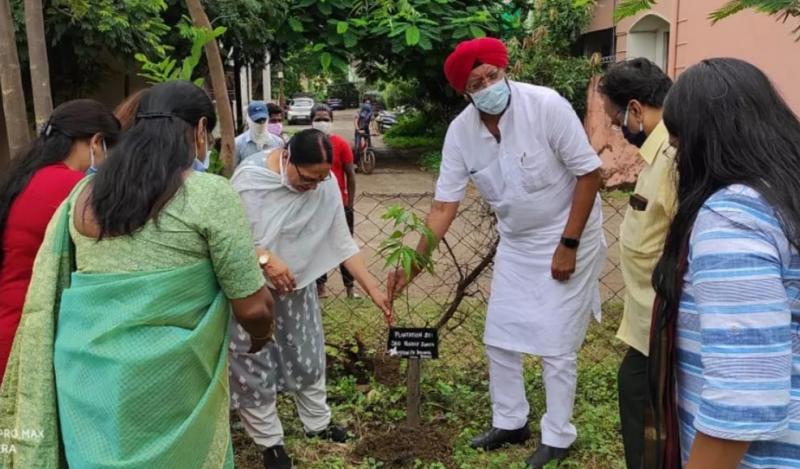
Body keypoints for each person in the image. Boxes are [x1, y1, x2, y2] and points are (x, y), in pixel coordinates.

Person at [0, 81, 274, 468]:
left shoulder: (82, 197)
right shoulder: (209, 195)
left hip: (86, 383)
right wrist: (262, 334)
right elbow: (252, 307)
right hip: (168, 391)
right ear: (199, 131)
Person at [387, 37, 606, 468]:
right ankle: (511, 421)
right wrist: (412, 264)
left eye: (493, 75)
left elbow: (589, 173)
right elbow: (443, 207)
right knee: (500, 335)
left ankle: (558, 435)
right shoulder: (461, 133)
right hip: (519, 241)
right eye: (477, 82)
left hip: (570, 231)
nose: (489, 85)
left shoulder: (546, 106)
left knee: (556, 341)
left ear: (504, 71)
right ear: (463, 91)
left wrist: (569, 244)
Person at [647, 58, 800, 469]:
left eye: (678, 145)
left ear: (704, 142)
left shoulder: (732, 215)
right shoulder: (784, 199)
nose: (676, 159)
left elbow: (744, 391)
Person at [230, 129, 392, 469]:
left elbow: (342, 241)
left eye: (320, 179)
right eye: (307, 178)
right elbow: (230, 239)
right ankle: (270, 445)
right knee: (252, 362)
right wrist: (264, 258)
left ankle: (318, 424)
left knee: (306, 354)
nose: (313, 186)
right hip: (250, 290)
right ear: (287, 156)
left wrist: (374, 290)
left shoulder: (325, 183)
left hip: (297, 286)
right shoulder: (250, 180)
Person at [0, 99, 120, 384]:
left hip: (10, 317)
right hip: (28, 337)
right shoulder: (75, 189)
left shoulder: (25, 177)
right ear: (97, 143)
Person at [597, 58, 674, 469]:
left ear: (636, 109)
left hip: (665, 331)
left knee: (645, 414)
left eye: (614, 119)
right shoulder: (657, 153)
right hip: (647, 325)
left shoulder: (674, 157)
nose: (615, 130)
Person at [310, 103, 360, 299]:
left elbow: (351, 174)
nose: (322, 122)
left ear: (332, 121)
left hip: (340, 204)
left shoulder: (340, 144)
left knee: (344, 245)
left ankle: (350, 287)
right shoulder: (308, 144)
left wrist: (350, 204)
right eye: (318, 119)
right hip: (314, 204)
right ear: (311, 121)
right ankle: (320, 287)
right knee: (317, 245)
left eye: (325, 119)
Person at [235, 101, 284, 167]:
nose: (261, 124)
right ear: (248, 120)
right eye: (257, 121)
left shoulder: (278, 143)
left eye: (263, 120)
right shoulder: (238, 143)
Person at [353, 97, 373, 166]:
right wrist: (358, 130)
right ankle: (355, 163)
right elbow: (355, 122)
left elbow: (372, 122)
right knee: (357, 147)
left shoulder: (370, 112)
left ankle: (367, 158)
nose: (368, 104)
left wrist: (374, 130)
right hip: (359, 129)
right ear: (363, 103)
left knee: (369, 146)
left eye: (369, 103)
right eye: (366, 103)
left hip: (366, 129)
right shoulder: (359, 111)